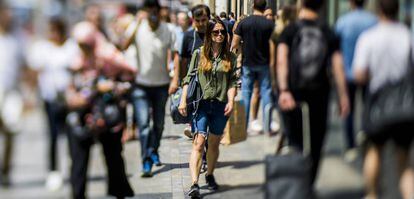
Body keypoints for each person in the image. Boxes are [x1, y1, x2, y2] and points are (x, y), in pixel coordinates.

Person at [277, 0, 349, 186]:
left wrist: (284, 90)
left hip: (294, 93)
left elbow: (282, 61)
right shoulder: (327, 31)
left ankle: (296, 185)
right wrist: (343, 95)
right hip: (320, 93)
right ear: (322, 6)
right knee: (316, 143)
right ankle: (309, 184)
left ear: (301, 4)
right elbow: (337, 65)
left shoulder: (290, 30)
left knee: (295, 142)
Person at [67, 21, 135, 199]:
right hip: (82, 115)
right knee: (78, 160)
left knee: (113, 156)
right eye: (80, 44)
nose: (84, 48)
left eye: (86, 44)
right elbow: (70, 86)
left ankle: (119, 191)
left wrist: (110, 86)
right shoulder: (75, 57)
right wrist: (74, 97)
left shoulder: (107, 54)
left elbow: (130, 74)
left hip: (107, 114)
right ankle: (78, 194)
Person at [353, 0, 414, 198]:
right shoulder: (408, 37)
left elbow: (359, 74)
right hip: (404, 106)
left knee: (374, 152)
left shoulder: (369, 38)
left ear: (379, 10)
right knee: (404, 163)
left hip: (378, 105)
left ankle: (371, 195)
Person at [179, 17, 238, 198]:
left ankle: (210, 175)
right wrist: (183, 100)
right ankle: (195, 183)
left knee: (213, 143)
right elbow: (188, 78)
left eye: (222, 32)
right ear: (209, 34)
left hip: (220, 105)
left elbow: (232, 82)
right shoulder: (199, 53)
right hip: (202, 104)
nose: (219, 35)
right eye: (215, 32)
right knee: (199, 142)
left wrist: (231, 101)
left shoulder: (231, 56)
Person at [27, 18, 78, 191]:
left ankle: (74, 167)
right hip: (50, 99)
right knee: (53, 134)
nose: (54, 34)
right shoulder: (43, 49)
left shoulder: (71, 47)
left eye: (57, 31)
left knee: (72, 133)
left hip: (70, 99)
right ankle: (53, 171)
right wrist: (30, 95)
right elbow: (35, 71)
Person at [129, 0, 178, 177]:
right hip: (140, 86)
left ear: (159, 11)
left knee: (158, 124)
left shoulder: (168, 30)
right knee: (144, 125)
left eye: (154, 10)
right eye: (148, 10)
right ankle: (146, 161)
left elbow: (176, 55)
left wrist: (175, 80)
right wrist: (136, 22)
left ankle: (153, 150)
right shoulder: (137, 27)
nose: (152, 14)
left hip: (161, 85)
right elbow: (123, 45)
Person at [335, 0, 377, 161]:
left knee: (348, 109)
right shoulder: (373, 21)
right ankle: (366, 135)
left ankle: (350, 145)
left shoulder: (342, 22)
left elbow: (336, 50)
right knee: (368, 107)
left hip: (347, 73)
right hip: (367, 73)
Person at [231, 0, 275, 133]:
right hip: (264, 63)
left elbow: (234, 44)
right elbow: (273, 45)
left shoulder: (244, 23)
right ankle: (267, 125)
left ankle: (243, 127)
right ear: (264, 7)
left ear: (253, 6)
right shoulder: (269, 24)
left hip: (248, 63)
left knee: (246, 94)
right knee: (266, 92)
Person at [0, 4, 25, 186]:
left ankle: (6, 171)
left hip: (11, 93)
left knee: (11, 131)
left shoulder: (17, 39)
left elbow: (25, 66)